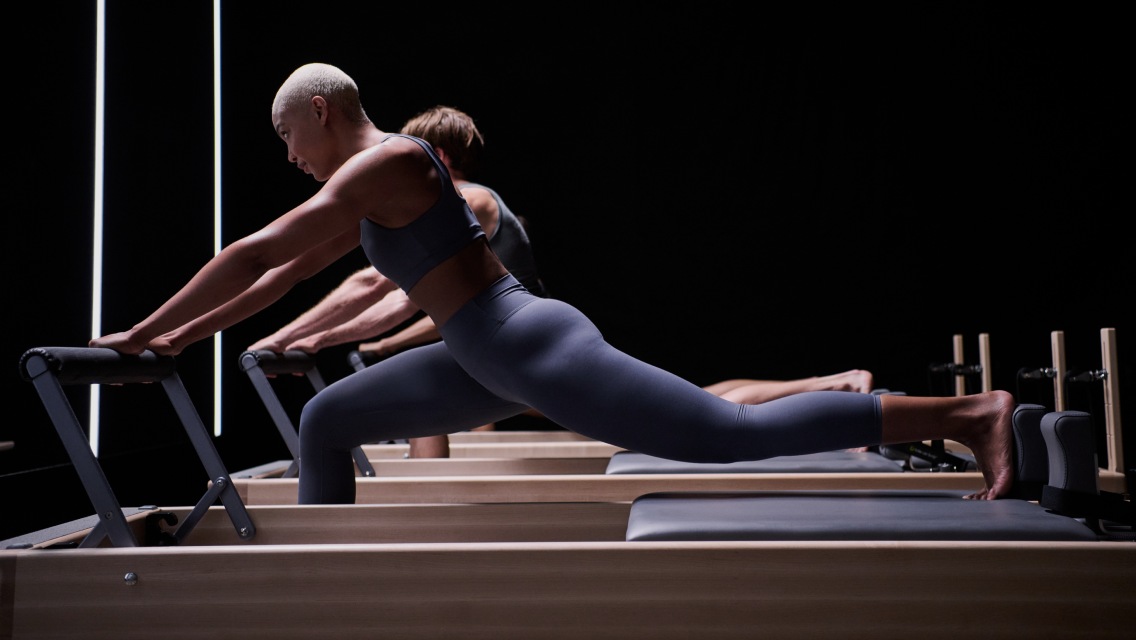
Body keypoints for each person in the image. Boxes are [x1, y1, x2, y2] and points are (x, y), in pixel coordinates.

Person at [90, 63, 1014, 504]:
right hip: (475, 359)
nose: (287, 155)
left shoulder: (392, 164)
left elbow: (255, 253)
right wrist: (181, 339)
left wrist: (142, 331)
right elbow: (282, 274)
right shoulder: (367, 190)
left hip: (525, 341)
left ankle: (968, 418)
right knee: (329, 421)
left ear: (322, 113)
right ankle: (311, 595)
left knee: (722, 433)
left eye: (287, 136)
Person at [247, 105, 549, 457]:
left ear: (436, 156)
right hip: (493, 351)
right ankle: (431, 495)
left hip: (517, 347)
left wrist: (293, 335)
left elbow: (376, 286)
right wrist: (317, 338)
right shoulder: (447, 232)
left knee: (411, 405)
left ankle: (429, 494)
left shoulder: (474, 200)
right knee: (423, 407)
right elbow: (402, 301)